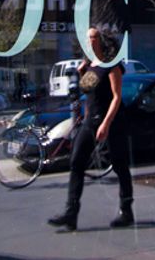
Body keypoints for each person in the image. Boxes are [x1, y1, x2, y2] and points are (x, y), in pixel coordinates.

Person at [47, 26, 134, 231]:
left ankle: (126, 211)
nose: (89, 41)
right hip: (91, 122)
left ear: (101, 40)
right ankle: (71, 213)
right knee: (76, 162)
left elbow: (116, 97)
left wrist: (106, 124)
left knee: (120, 165)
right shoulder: (90, 65)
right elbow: (89, 94)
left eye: (92, 37)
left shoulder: (111, 65)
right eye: (87, 38)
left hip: (111, 122)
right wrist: (82, 73)